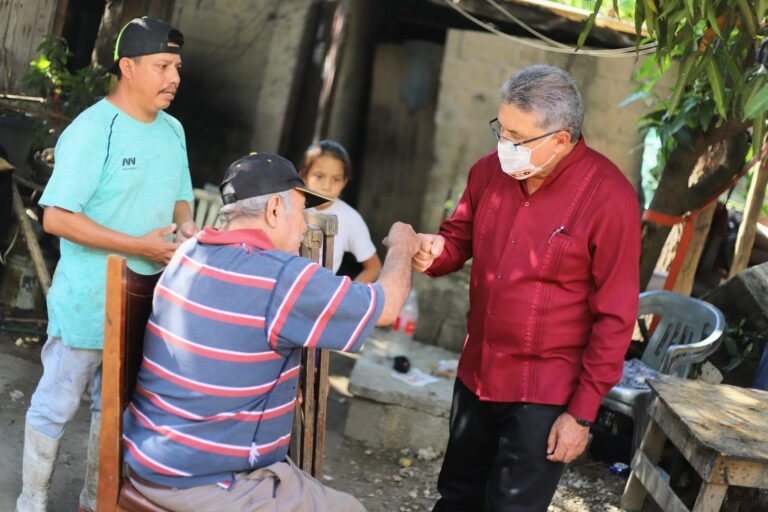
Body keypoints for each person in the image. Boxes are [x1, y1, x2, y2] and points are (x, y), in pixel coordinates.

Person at [121, 152, 419, 511]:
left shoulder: (188, 253)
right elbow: (385, 307)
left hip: (149, 457)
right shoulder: (282, 276)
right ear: (275, 209)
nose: (305, 226)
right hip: (211, 481)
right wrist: (404, 243)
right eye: (302, 211)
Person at [413, 65, 641, 512]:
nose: (504, 146)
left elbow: (616, 316)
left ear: (561, 139)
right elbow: (458, 238)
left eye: (518, 138)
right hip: (476, 372)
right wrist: (432, 252)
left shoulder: (610, 198)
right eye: (501, 129)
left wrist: (581, 413)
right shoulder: (486, 172)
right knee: (456, 496)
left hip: (545, 391)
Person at [16, 17, 196, 512]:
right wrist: (136, 245)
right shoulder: (94, 130)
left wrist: (186, 228)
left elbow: (181, 197)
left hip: (147, 297)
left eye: (177, 66)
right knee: (58, 402)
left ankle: (94, 501)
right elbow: (55, 218)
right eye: (162, 65)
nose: (174, 77)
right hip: (89, 296)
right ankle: (31, 500)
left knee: (114, 408)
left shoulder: (173, 129)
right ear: (128, 66)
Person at [299, 140, 382, 282]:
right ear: (303, 175)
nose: (327, 186)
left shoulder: (351, 218)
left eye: (336, 179)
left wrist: (344, 296)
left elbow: (374, 267)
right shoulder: (288, 207)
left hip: (321, 298)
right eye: (319, 176)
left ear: (345, 182)